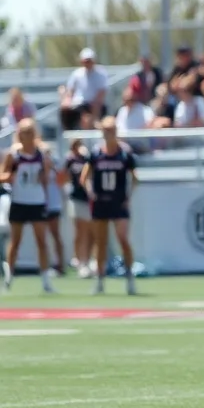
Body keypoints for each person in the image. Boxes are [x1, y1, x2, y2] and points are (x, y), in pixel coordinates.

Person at [79, 117, 139, 295]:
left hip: (118, 201)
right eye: (105, 131)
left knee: (123, 239)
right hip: (101, 202)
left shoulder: (124, 153)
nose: (108, 134)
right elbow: (84, 177)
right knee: (101, 242)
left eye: (111, 130)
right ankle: (100, 280)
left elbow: (135, 177)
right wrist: (91, 192)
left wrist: (128, 196)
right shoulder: (96, 153)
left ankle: (129, 277)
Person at [0, 119, 54, 293]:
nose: (27, 136)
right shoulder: (13, 155)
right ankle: (9, 278)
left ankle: (46, 281)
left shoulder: (41, 155)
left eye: (30, 132)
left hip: (36, 201)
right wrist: (10, 176)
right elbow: (2, 176)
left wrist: (46, 196)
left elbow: (45, 178)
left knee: (42, 242)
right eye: (24, 132)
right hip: (19, 201)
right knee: (15, 242)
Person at [63, 138, 95, 277]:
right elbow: (64, 176)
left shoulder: (87, 159)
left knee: (90, 232)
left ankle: (88, 261)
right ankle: (79, 260)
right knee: (80, 230)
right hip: (76, 198)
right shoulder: (70, 160)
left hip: (88, 199)